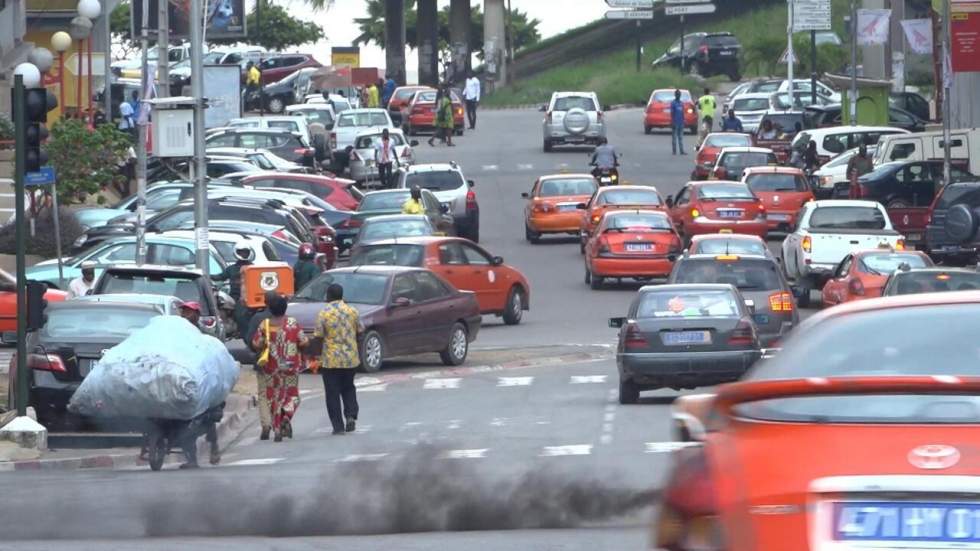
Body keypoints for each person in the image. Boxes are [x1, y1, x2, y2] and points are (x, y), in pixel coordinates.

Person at [251, 294, 307, 442]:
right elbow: (304, 341)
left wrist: (266, 343)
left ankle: (276, 429)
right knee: (293, 395)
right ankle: (286, 416)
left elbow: (256, 344)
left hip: (271, 366)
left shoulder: (265, 325)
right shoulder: (292, 323)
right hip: (290, 366)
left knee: (273, 397)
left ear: (270, 308)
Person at [312, 283, 363, 435]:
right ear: (342, 295)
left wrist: (314, 355)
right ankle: (351, 415)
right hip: (350, 358)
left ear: (328, 296)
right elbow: (360, 331)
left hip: (331, 360)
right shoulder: (352, 311)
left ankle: (338, 427)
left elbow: (318, 336)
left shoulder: (323, 313)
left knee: (332, 393)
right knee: (348, 387)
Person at [244, 291, 279, 440]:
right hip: (281, 364)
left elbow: (250, 340)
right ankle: (279, 424)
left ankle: (266, 424)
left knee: (264, 394)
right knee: (278, 394)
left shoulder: (257, 318)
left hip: (263, 362)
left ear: (265, 302)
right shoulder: (284, 320)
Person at [225, 241, 254, 335]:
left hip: (251, 297)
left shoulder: (254, 267)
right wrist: (207, 275)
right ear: (236, 252)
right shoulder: (231, 269)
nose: (244, 254)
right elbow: (220, 276)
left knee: (240, 314)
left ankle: (245, 332)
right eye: (241, 252)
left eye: (245, 252)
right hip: (235, 297)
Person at [670, 89, 686, 156]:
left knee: (680, 137)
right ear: (675, 95)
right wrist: (672, 122)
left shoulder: (681, 103)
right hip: (675, 122)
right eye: (677, 94)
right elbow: (672, 113)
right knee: (674, 137)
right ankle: (674, 151)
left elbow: (682, 113)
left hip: (681, 122)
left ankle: (682, 151)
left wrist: (684, 120)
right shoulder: (673, 103)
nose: (678, 95)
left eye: (679, 94)